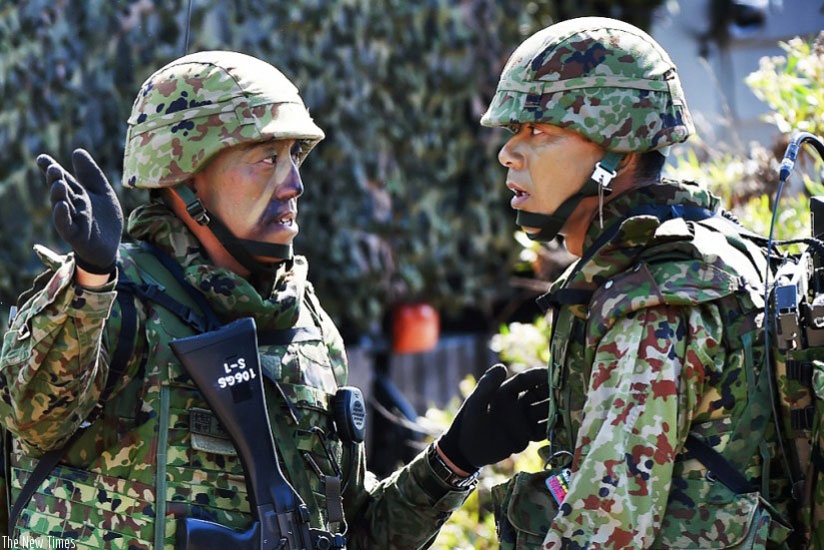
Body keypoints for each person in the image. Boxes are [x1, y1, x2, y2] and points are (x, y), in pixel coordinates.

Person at [0, 51, 549, 549]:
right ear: (183, 177)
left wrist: (453, 460)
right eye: (266, 158)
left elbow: (354, 537)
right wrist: (92, 281)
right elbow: (30, 416)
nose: (293, 185)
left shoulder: (307, 329)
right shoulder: (111, 304)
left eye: (294, 157)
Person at [480, 16, 798, 549]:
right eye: (514, 132)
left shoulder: (657, 299)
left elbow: (604, 533)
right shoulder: (717, 250)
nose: (508, 153)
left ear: (617, 154)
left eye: (539, 132)